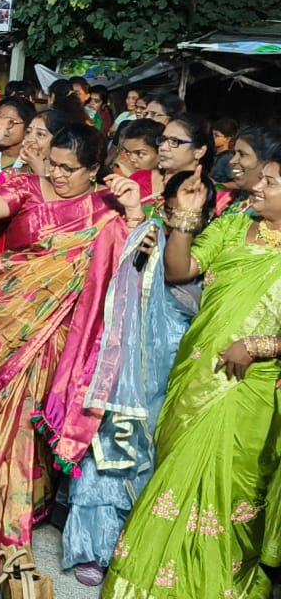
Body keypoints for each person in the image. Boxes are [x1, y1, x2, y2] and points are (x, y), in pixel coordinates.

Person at [0, 121, 143, 575]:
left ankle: (8, 525)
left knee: (22, 425)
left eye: (70, 169)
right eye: (54, 164)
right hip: (0, 322)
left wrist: (134, 213)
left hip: (52, 335)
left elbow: (134, 268)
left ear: (95, 170)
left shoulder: (106, 210)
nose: (58, 175)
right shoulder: (25, 189)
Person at [103, 155, 281, 599]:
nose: (257, 185)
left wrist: (261, 346)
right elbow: (179, 271)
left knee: (229, 483)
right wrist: (184, 216)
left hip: (253, 386)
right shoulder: (235, 224)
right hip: (199, 365)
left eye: (272, 182)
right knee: (176, 472)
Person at [60, 169, 211, 586]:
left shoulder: (213, 251)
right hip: (126, 369)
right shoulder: (147, 233)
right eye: (176, 203)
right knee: (109, 448)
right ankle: (94, 547)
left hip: (173, 372)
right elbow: (119, 281)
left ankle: (132, 545)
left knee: (154, 456)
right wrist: (136, 225)